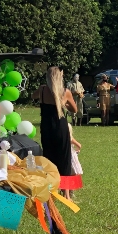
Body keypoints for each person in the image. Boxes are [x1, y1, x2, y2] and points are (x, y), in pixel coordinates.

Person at [40, 67, 79, 199]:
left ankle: (50, 191)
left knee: (49, 158)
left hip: (46, 128)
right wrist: (64, 105)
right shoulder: (65, 92)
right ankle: (67, 194)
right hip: (60, 128)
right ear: (60, 77)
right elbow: (74, 109)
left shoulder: (43, 90)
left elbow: (33, 96)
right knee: (64, 159)